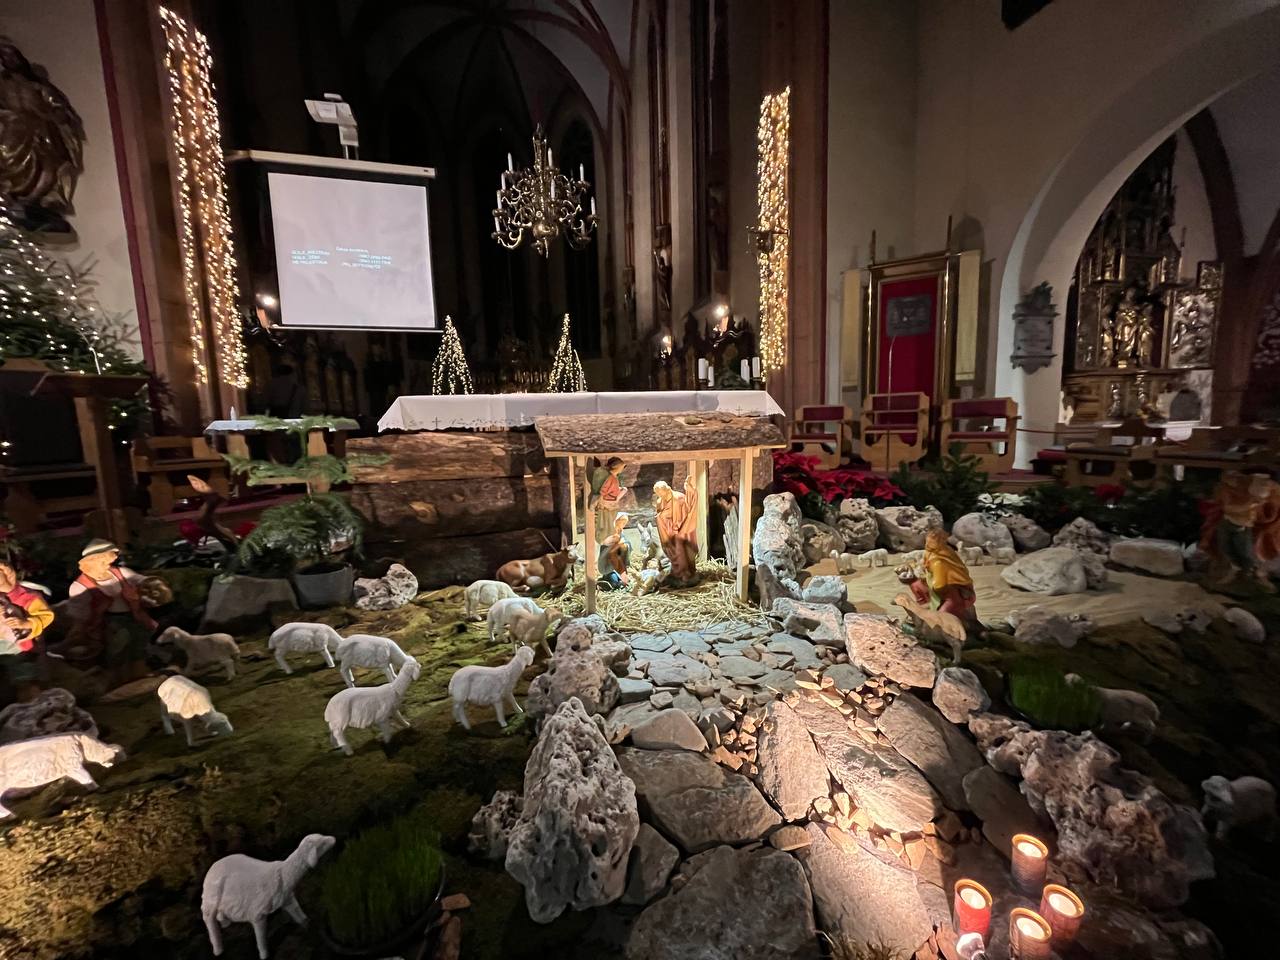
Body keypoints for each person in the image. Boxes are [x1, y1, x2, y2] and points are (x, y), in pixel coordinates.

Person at [67, 539, 159, 683]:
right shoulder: (80, 586)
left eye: (109, 559)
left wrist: (149, 586)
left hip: (132, 615)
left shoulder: (121, 573)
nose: (109, 563)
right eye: (103, 560)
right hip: (106, 622)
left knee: (139, 642)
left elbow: (141, 580)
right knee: (118, 647)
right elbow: (79, 613)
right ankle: (118, 679)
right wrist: (79, 630)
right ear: (92, 561)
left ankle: (139, 674)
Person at [1200, 471, 1280, 592]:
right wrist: (1251, 504)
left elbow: (1269, 514)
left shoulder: (1268, 492)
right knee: (1225, 548)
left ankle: (1254, 575)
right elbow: (1227, 507)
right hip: (1230, 522)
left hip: (1247, 526)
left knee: (1247, 553)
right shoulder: (1228, 489)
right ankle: (1234, 571)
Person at [0, 560, 55, 701]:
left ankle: (32, 704)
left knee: (26, 679)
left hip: (21, 648)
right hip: (2, 646)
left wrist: (26, 623)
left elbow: (46, 616)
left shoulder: (27, 597)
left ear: (7, 575)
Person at [921, 528, 979, 629]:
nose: (927, 544)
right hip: (939, 595)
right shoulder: (934, 552)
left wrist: (931, 583)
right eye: (927, 541)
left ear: (939, 542)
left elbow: (939, 585)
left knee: (940, 618)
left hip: (951, 595)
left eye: (930, 542)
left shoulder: (938, 561)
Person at [653, 476, 700, 584]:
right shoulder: (660, 501)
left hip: (681, 530)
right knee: (671, 550)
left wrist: (690, 490)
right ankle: (676, 573)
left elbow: (688, 510)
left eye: (661, 493)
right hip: (668, 531)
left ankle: (685, 574)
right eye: (658, 494)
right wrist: (661, 517)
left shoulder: (679, 498)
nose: (660, 496)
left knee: (681, 550)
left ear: (666, 489)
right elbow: (660, 515)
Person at [590, 457, 628, 540]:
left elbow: (612, 488)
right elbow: (604, 489)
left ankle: (608, 533)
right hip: (608, 500)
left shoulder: (614, 477)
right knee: (608, 518)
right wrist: (600, 499)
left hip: (612, 499)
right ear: (616, 467)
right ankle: (605, 535)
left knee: (624, 490)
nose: (622, 469)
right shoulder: (610, 478)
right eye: (621, 467)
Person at [598, 512, 632, 589]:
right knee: (614, 583)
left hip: (618, 564)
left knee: (622, 582)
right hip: (609, 565)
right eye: (621, 522)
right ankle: (603, 582)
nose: (623, 525)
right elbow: (608, 550)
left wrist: (625, 546)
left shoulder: (621, 534)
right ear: (616, 522)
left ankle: (617, 579)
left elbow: (626, 545)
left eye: (624, 523)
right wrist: (618, 545)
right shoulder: (610, 535)